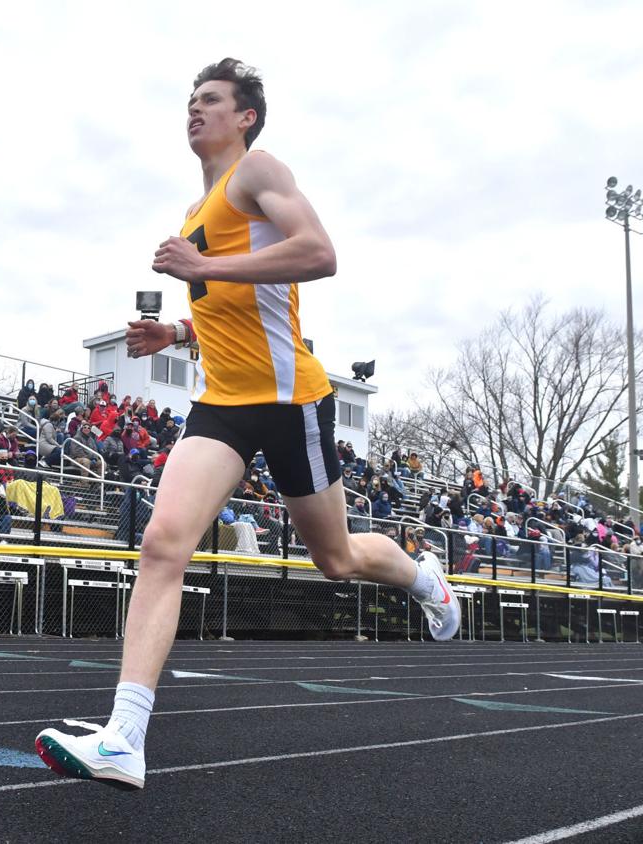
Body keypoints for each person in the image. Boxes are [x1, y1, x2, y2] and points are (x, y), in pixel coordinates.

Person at [35, 58, 458, 789]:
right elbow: (231, 312)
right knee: (163, 543)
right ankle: (124, 739)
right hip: (223, 404)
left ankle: (425, 580)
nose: (194, 110)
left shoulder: (258, 171)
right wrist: (176, 334)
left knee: (335, 560)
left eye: (210, 100)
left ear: (245, 117)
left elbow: (320, 254)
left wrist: (203, 266)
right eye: (190, 101)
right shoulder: (194, 214)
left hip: (290, 401)